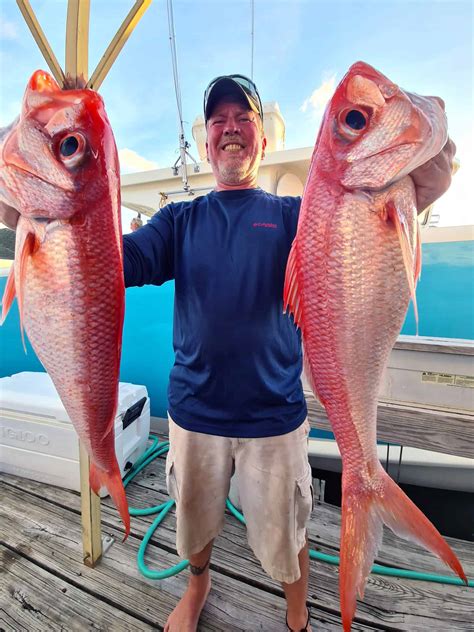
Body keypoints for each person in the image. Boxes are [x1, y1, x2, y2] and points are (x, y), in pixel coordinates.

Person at [0, 75, 456, 632]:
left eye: (244, 119)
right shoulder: (180, 220)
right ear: (209, 141)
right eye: (218, 121)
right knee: (193, 528)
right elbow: (110, 262)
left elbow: (359, 229)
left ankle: (296, 610)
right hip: (195, 414)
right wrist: (31, 207)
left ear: (260, 141)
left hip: (276, 418)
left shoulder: (297, 214)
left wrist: (426, 165)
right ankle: (199, 587)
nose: (231, 129)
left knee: (286, 534)